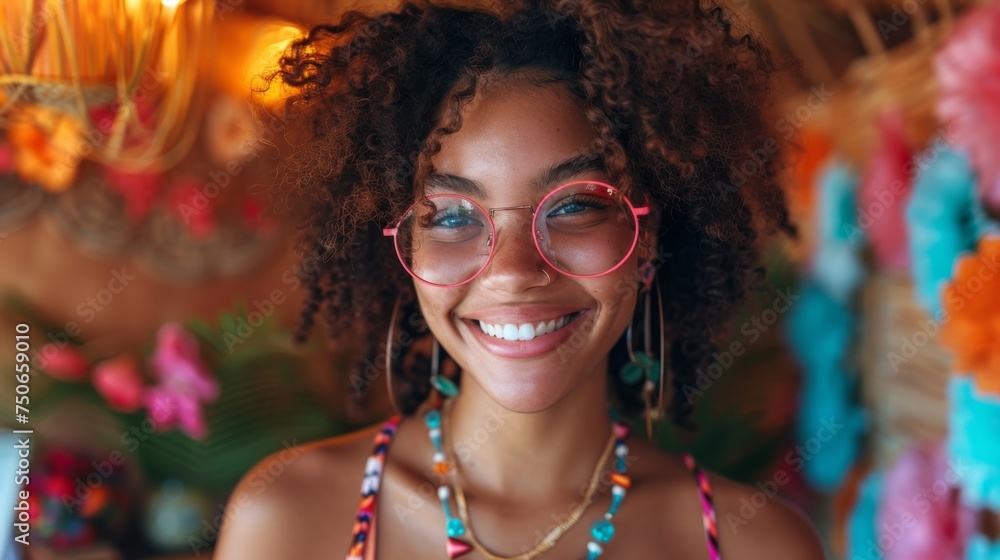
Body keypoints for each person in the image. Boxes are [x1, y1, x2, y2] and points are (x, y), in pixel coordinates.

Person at [215, 0, 826, 558]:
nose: (511, 272)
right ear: (405, 246)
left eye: (574, 205)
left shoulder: (760, 543)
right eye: (451, 216)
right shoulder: (286, 519)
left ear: (649, 234)